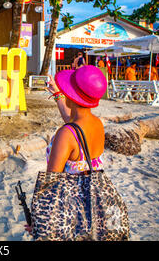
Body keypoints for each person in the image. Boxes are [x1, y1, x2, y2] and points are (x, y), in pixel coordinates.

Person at [25, 65, 107, 237]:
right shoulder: (97, 124)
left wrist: (39, 220)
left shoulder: (66, 134)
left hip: (69, 209)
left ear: (73, 95)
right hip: (90, 205)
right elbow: (73, 119)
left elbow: (51, 184)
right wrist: (57, 95)